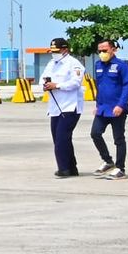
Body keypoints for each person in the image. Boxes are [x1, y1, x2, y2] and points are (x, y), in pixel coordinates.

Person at [41, 37, 85, 177]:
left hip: (70, 107)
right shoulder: (52, 63)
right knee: (59, 139)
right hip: (55, 107)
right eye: (52, 51)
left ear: (65, 49)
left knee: (61, 139)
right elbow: (44, 77)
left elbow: (75, 83)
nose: (54, 53)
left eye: (57, 51)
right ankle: (72, 168)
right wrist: (46, 85)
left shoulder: (74, 64)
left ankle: (63, 168)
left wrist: (57, 85)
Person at [91, 38, 128, 180]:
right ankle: (108, 161)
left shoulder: (121, 66)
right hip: (103, 108)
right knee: (95, 133)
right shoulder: (98, 65)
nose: (102, 53)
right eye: (100, 51)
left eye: (105, 50)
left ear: (113, 50)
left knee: (119, 139)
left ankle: (120, 168)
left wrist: (121, 105)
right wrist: (97, 105)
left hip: (117, 109)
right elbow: (100, 87)